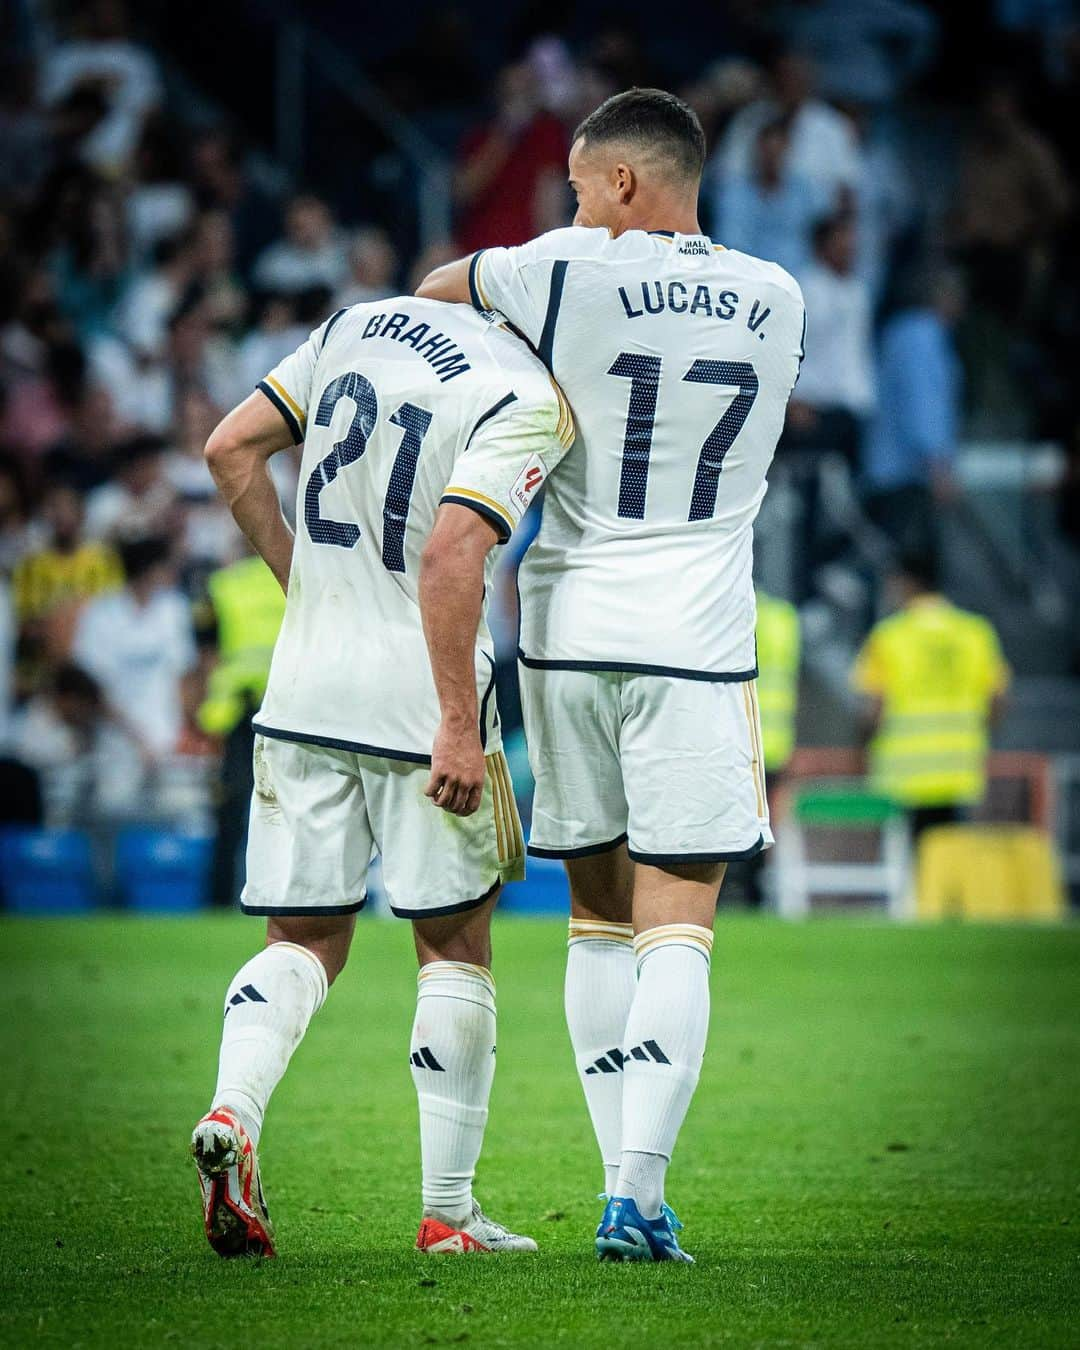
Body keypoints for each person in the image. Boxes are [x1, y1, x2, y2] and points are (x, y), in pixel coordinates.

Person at [418, 87, 805, 1262]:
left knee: (594, 915)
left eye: (582, 186)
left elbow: (434, 297)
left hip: (573, 631)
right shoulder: (779, 295)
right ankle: (634, 1197)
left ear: (624, 183)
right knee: (678, 923)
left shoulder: (563, 270)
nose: (572, 204)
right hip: (696, 639)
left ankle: (612, 1174)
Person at [190, 295, 574, 1258]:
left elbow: (228, 451)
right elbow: (452, 554)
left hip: (304, 686)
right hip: (420, 697)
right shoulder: (527, 390)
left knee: (305, 936)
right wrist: (455, 720)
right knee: (454, 946)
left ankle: (232, 1117)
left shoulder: (356, 325)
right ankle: (448, 1214)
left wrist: (299, 580)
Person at [851, 557, 1011, 839]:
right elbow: (998, 699)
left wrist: (861, 747)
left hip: (902, 775)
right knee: (948, 863)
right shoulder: (975, 632)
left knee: (905, 864)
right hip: (959, 770)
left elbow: (874, 708)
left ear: (908, 583)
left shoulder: (889, 636)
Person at [862, 270, 965, 564]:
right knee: (905, 564)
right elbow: (923, 401)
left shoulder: (899, 331)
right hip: (906, 472)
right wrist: (938, 463)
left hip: (886, 466)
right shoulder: (922, 337)